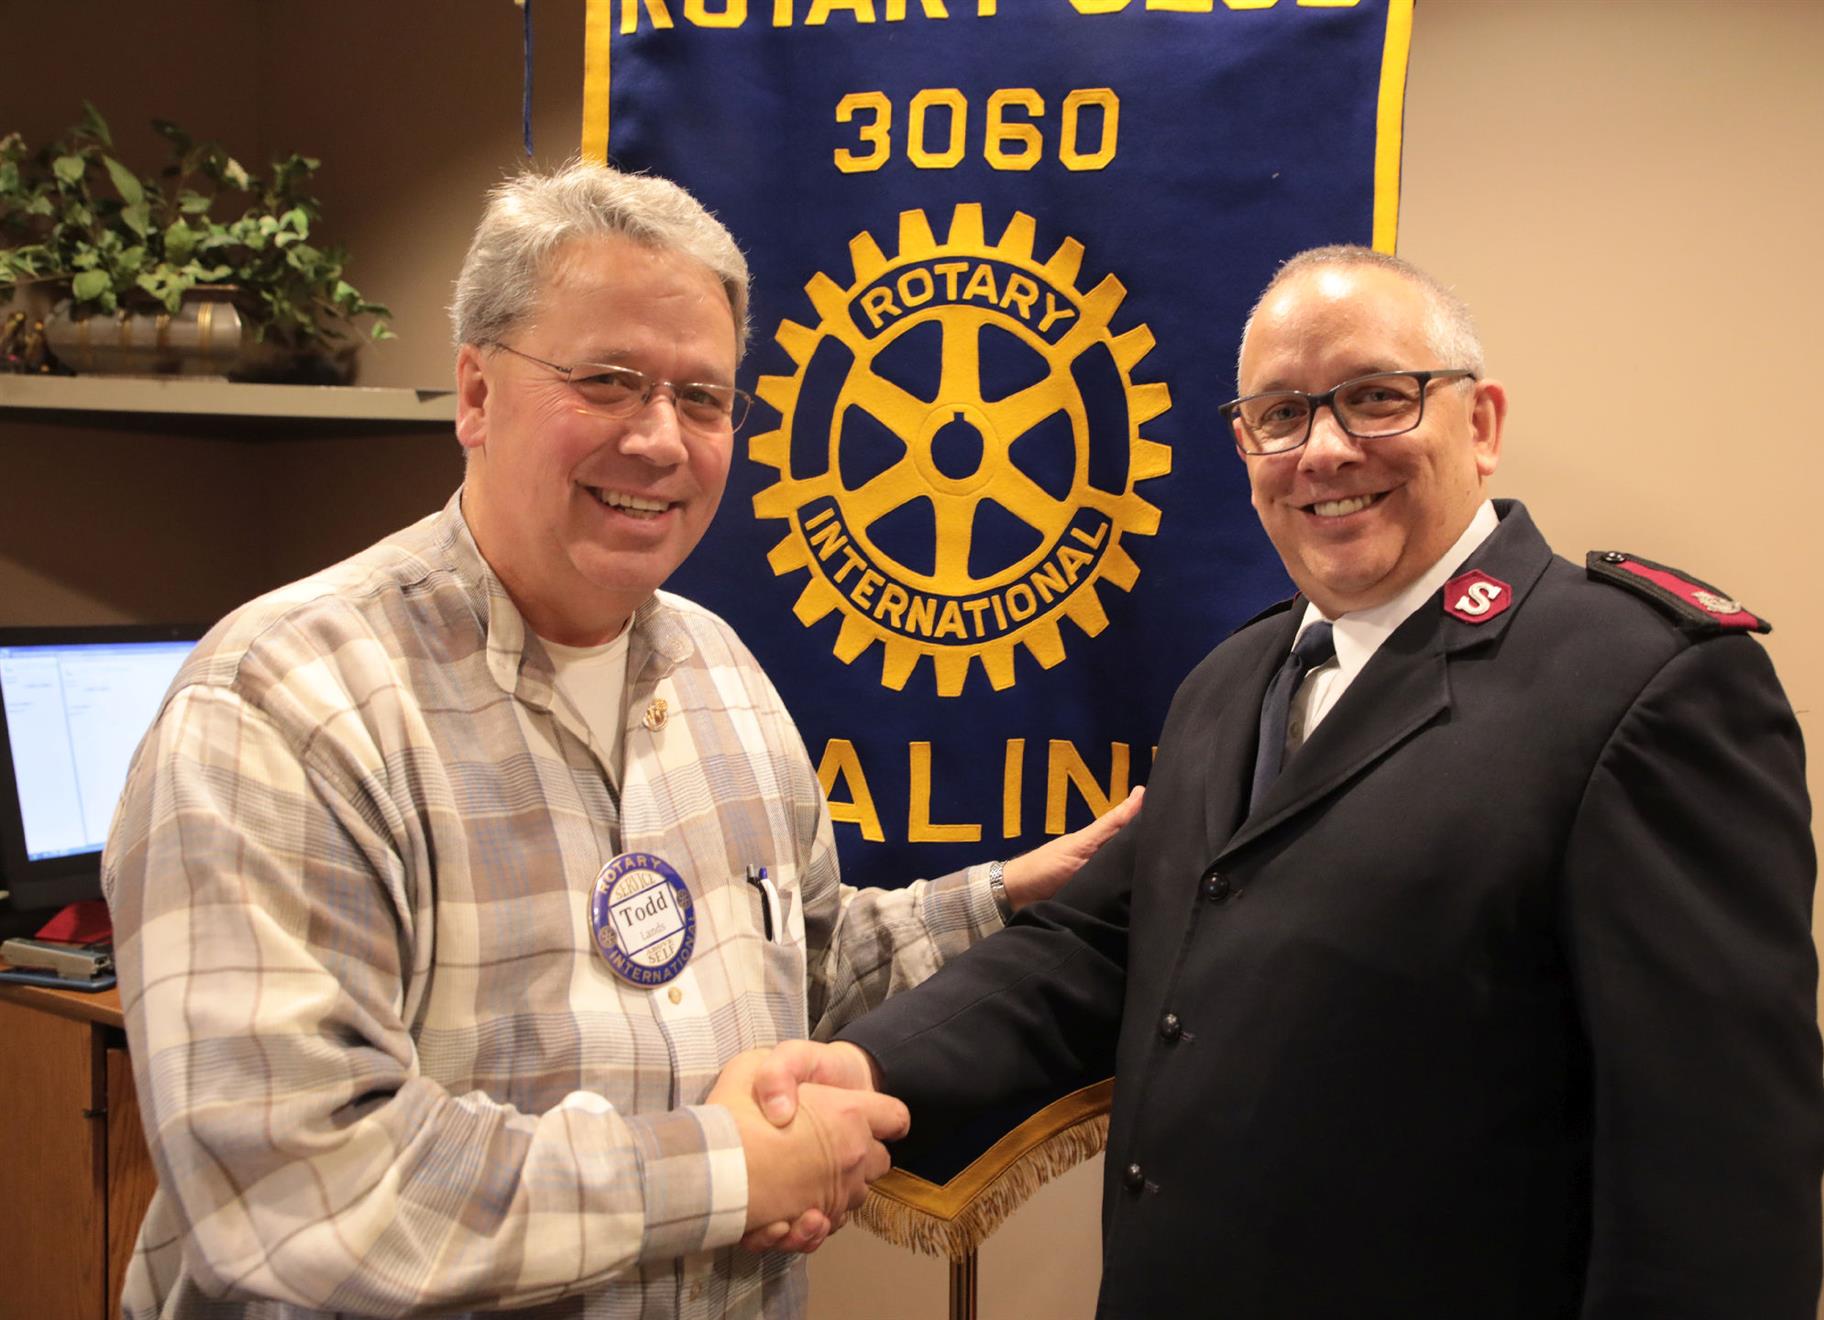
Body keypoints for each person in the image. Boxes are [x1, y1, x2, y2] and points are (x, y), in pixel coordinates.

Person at [101, 161, 1135, 1320]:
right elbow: (296, 1186)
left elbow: (801, 970)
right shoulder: (283, 706)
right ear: (476, 393)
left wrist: (1011, 899)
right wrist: (724, 1172)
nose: (659, 440)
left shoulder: (720, 672)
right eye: (607, 382)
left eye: (703, 399)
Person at [756, 247, 1824, 1317]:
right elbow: (1096, 950)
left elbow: (1718, 1183)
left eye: (1376, 398)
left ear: (1482, 423)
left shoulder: (1641, 688)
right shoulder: (1232, 681)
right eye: (1280, 415)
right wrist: (869, 1070)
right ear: (1244, 445)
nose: (1322, 450)